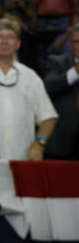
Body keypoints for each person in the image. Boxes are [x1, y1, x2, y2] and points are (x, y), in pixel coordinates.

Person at [0, 19, 58, 160]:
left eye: (10, 37)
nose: (4, 42)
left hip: (22, 158)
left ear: (18, 44)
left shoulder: (30, 77)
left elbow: (49, 116)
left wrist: (39, 144)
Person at [42, 23, 79, 159]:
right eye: (77, 42)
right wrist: (76, 71)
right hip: (61, 143)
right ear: (70, 45)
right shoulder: (57, 62)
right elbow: (49, 88)